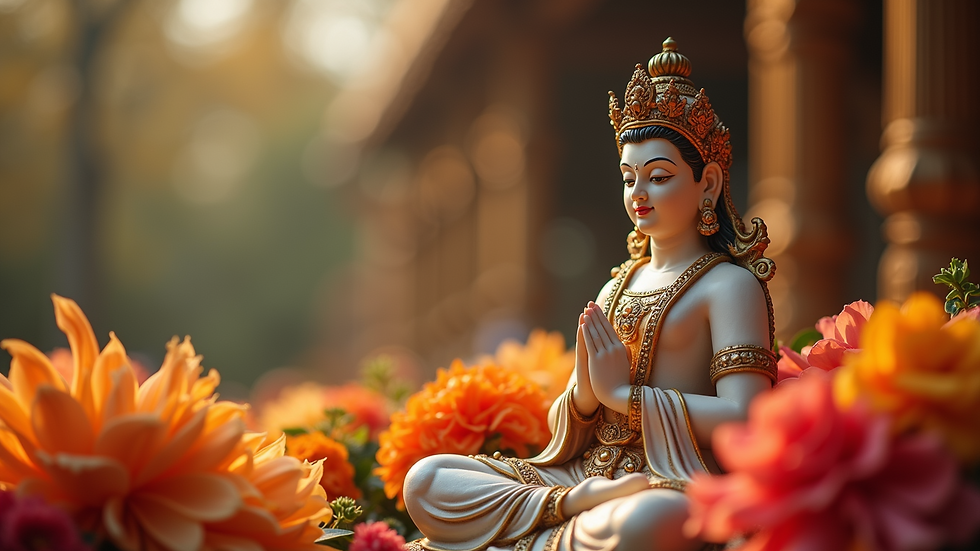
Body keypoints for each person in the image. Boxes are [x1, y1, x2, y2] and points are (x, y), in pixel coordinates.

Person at [403, 38, 777, 551]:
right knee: (428, 479)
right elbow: (580, 413)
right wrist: (584, 393)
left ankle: (532, 534)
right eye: (628, 178)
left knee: (650, 522)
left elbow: (747, 418)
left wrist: (625, 397)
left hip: (666, 479)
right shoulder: (618, 282)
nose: (638, 194)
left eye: (659, 177)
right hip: (583, 476)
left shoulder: (729, 285)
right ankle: (568, 511)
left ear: (707, 183)